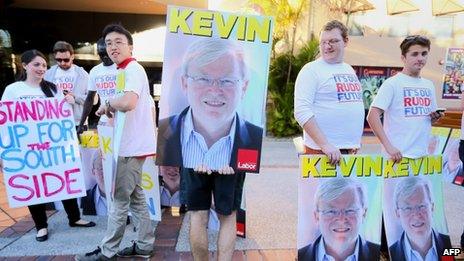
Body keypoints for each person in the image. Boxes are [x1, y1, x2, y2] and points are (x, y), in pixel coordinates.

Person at [156, 38, 263, 261]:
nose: (214, 90)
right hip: (193, 165)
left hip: (229, 168)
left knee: (216, 216)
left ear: (243, 86)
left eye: (226, 80)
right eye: (203, 78)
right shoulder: (168, 131)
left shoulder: (252, 137)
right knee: (204, 216)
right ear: (185, 83)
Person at [76, 23, 156, 260]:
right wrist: (110, 106)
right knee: (136, 198)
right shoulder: (125, 71)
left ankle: (107, 252)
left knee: (120, 201)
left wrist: (107, 105)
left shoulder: (132, 69)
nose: (112, 47)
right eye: (108, 43)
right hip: (131, 145)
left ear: (130, 47)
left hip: (130, 147)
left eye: (119, 42)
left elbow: (129, 102)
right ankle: (144, 245)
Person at [1, 49, 95, 242]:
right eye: (36, 64)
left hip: (53, 148)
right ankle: (41, 226)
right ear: (25, 65)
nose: (41, 68)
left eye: (44, 65)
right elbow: (5, 123)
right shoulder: (13, 90)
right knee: (33, 186)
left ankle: (74, 218)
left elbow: (63, 118)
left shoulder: (52, 89)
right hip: (27, 151)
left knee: (62, 180)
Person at [294, 20, 365, 165]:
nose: (327, 46)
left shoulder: (349, 69)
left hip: (348, 151)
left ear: (346, 41)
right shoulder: (311, 70)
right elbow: (301, 112)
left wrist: (354, 142)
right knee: (320, 189)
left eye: (333, 41)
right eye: (323, 42)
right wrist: (325, 145)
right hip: (323, 152)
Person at [367, 35, 443, 163]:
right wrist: (388, 147)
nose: (420, 58)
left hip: (422, 156)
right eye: (414, 54)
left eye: (424, 54)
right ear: (403, 58)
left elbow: (427, 120)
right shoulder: (392, 83)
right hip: (397, 157)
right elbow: (372, 116)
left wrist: (434, 118)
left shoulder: (429, 85)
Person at [298, 178, 380, 261]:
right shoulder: (298, 257)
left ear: (364, 213)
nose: (341, 219)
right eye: (331, 211)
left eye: (350, 210)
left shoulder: (381, 255)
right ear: (317, 216)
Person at [389, 177, 452, 260]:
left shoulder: (452, 245)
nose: (416, 215)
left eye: (422, 206)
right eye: (407, 208)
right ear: (397, 214)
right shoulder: (389, 255)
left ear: (432, 207)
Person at [44, 41, 89, 127]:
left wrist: (75, 98)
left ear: (72, 56)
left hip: (78, 122)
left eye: (66, 60)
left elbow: (93, 100)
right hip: (55, 121)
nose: (62, 63)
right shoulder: (48, 74)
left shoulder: (82, 74)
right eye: (58, 60)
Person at [77, 37, 117, 134]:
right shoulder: (95, 71)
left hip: (123, 120)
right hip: (104, 120)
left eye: (107, 53)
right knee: (105, 149)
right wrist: (81, 123)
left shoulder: (122, 68)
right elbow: (89, 98)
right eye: (101, 54)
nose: (105, 57)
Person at [81, 150, 107, 215]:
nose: (107, 173)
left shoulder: (129, 197)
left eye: (111, 168)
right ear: (93, 171)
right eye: (102, 168)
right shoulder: (85, 199)